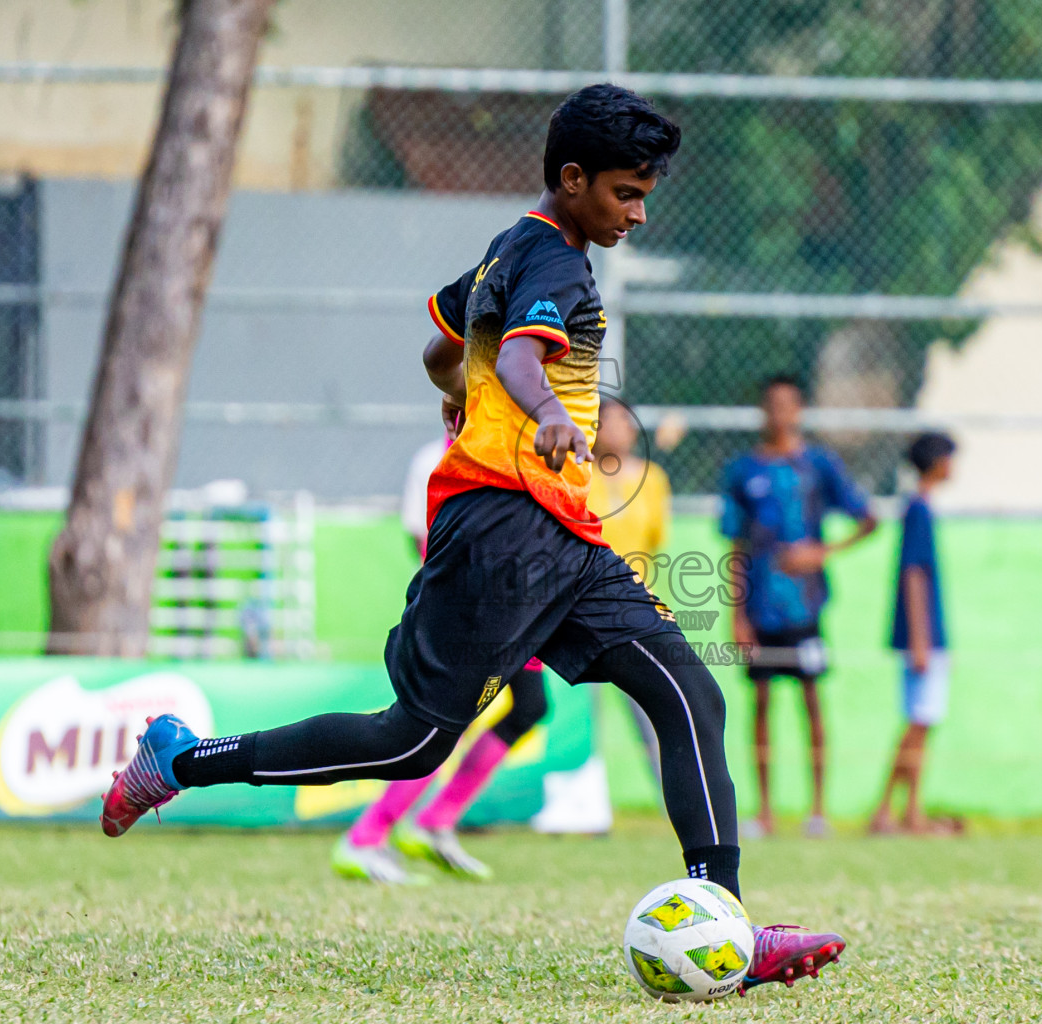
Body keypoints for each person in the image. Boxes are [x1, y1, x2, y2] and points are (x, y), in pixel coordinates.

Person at [100, 85, 844, 992]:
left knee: (689, 693)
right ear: (573, 180)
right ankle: (180, 757)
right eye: (625, 194)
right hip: (501, 528)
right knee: (408, 743)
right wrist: (541, 415)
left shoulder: (515, 244)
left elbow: (439, 349)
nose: (638, 213)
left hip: (561, 538)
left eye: (646, 194)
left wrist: (464, 391)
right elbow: (527, 357)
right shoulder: (556, 266)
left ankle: (723, 919)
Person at [331, 430, 551, 884]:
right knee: (446, 719)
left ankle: (434, 820)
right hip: (473, 608)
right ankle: (366, 837)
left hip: (515, 604)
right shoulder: (436, 458)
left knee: (529, 705)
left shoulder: (515, 448)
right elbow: (426, 541)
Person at [721, 376, 877, 839]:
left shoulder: (818, 466)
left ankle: (817, 809)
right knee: (762, 703)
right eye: (772, 405)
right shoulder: (743, 471)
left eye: (789, 405)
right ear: (762, 410)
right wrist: (738, 614)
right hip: (761, 608)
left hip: (805, 608)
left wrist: (822, 552)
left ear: (800, 409)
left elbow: (868, 519)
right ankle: (765, 811)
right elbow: (735, 546)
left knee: (811, 702)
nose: (780, 413)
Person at [870, 431, 960, 836]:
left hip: (925, 636)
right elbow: (914, 574)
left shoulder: (918, 508)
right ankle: (889, 811)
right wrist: (921, 638)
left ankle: (908, 811)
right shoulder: (918, 510)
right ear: (938, 462)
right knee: (918, 722)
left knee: (922, 722)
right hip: (923, 637)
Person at [588, 397, 671, 787]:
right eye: (618, 420)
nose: (627, 429)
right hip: (581, 609)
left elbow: (655, 540)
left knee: (653, 707)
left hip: (634, 609)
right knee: (585, 712)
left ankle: (677, 800)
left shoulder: (652, 478)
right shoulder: (578, 474)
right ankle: (585, 800)